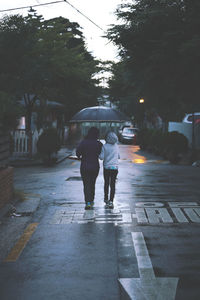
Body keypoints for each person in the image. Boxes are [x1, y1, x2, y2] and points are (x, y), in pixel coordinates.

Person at [76, 127, 102, 210]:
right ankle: (91, 200)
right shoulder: (99, 144)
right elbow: (101, 154)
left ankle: (87, 202)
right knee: (92, 183)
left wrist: (81, 155)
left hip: (85, 167)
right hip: (95, 167)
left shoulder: (83, 142)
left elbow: (78, 153)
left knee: (86, 184)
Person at [99, 131, 120, 209]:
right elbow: (119, 156)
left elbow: (101, 157)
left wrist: (99, 154)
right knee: (113, 184)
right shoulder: (116, 146)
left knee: (106, 183)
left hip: (107, 168)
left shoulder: (104, 146)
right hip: (115, 168)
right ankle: (111, 201)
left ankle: (106, 198)